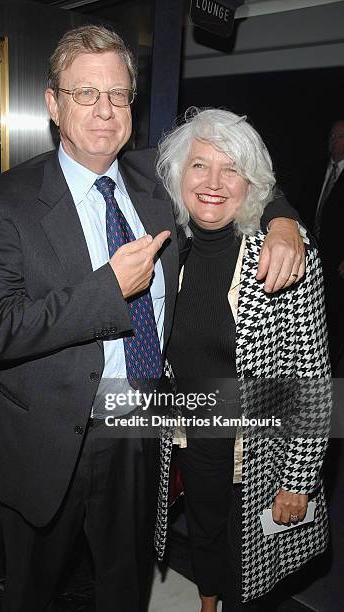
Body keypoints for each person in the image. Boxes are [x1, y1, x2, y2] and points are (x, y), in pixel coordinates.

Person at [0, 26, 304, 612]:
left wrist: (283, 222)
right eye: (85, 94)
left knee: (124, 586)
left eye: (118, 95)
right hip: (47, 438)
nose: (105, 111)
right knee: (30, 591)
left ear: (131, 102)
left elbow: (234, 175)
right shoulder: (3, 203)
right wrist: (108, 291)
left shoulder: (159, 181)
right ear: (53, 103)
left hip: (139, 427)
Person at [155, 108, 331, 612]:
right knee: (205, 534)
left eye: (231, 168)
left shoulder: (282, 254)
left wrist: (298, 479)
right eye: (199, 166)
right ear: (177, 175)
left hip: (257, 449)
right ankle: (207, 602)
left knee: (248, 562)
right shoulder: (166, 248)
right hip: (193, 438)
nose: (213, 182)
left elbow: (312, 380)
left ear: (251, 182)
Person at [312, 120, 344, 369]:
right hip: (314, 261)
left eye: (340, 136)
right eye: (331, 135)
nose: (334, 141)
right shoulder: (313, 170)